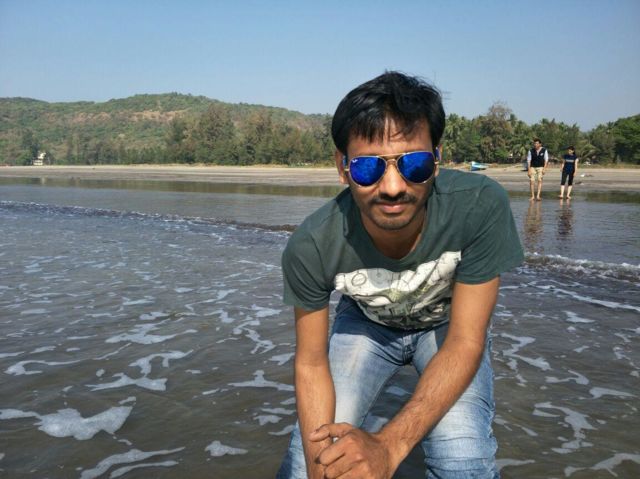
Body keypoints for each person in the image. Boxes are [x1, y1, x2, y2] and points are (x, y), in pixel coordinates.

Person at [277, 71, 524, 479]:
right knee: (309, 466)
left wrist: (389, 446)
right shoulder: (313, 244)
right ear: (342, 167)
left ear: (437, 158)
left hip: (447, 325)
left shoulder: (480, 206)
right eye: (368, 168)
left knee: (462, 460)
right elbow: (311, 364)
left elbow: (466, 340)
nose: (393, 187)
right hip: (366, 323)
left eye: (414, 164)